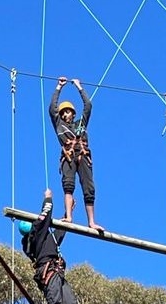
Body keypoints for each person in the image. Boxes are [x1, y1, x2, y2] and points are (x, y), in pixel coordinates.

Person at [19, 188, 86, 304]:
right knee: (55, 303)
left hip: (58, 273)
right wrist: (48, 199)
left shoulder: (47, 238)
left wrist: (68, 212)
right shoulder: (35, 236)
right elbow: (45, 214)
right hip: (49, 271)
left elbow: (60, 231)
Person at [49, 76, 103, 231]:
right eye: (64, 112)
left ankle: (91, 222)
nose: (66, 114)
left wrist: (79, 87)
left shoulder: (81, 124)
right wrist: (59, 87)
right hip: (68, 155)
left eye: (69, 112)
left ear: (73, 113)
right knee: (68, 184)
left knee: (89, 188)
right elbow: (52, 107)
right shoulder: (58, 125)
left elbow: (88, 106)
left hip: (83, 155)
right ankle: (69, 216)